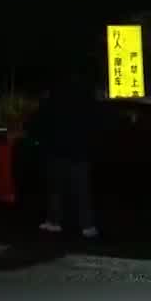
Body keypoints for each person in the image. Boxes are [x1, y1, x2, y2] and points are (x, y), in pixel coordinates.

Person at [35, 73, 99, 238]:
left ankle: (54, 221)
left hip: (59, 152)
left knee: (56, 189)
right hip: (78, 152)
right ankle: (87, 226)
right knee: (81, 191)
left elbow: (42, 125)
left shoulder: (54, 103)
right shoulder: (82, 102)